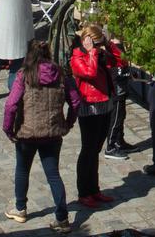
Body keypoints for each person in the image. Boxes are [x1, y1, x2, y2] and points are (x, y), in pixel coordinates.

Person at [2, 39, 81, 232]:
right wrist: (68, 122)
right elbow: (76, 101)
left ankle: (20, 208)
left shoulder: (24, 75)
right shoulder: (61, 74)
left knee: (22, 170)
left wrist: (8, 129)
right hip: (52, 134)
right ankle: (62, 219)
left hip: (26, 133)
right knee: (53, 174)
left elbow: (11, 105)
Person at [68, 24, 123, 209]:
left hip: (104, 104)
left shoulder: (101, 52)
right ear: (88, 41)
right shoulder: (77, 56)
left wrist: (109, 45)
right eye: (97, 44)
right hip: (89, 107)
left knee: (97, 148)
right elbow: (89, 73)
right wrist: (92, 52)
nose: (99, 48)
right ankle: (84, 192)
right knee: (88, 150)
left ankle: (94, 189)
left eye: (101, 44)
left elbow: (121, 61)